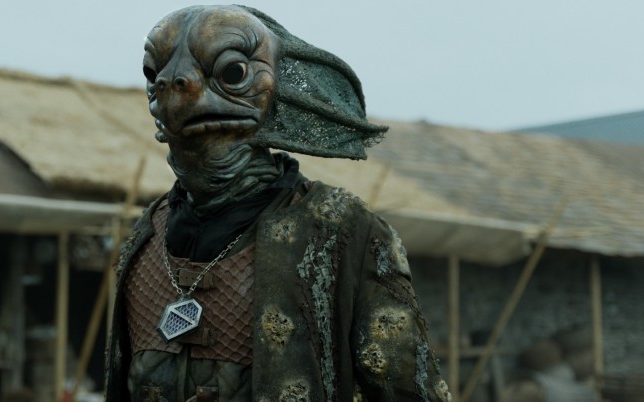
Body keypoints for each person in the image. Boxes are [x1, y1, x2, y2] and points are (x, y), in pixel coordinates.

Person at [104, 5, 451, 402]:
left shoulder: (343, 233)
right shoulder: (147, 235)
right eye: (155, 74)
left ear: (276, 89)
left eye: (231, 72)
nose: (174, 84)